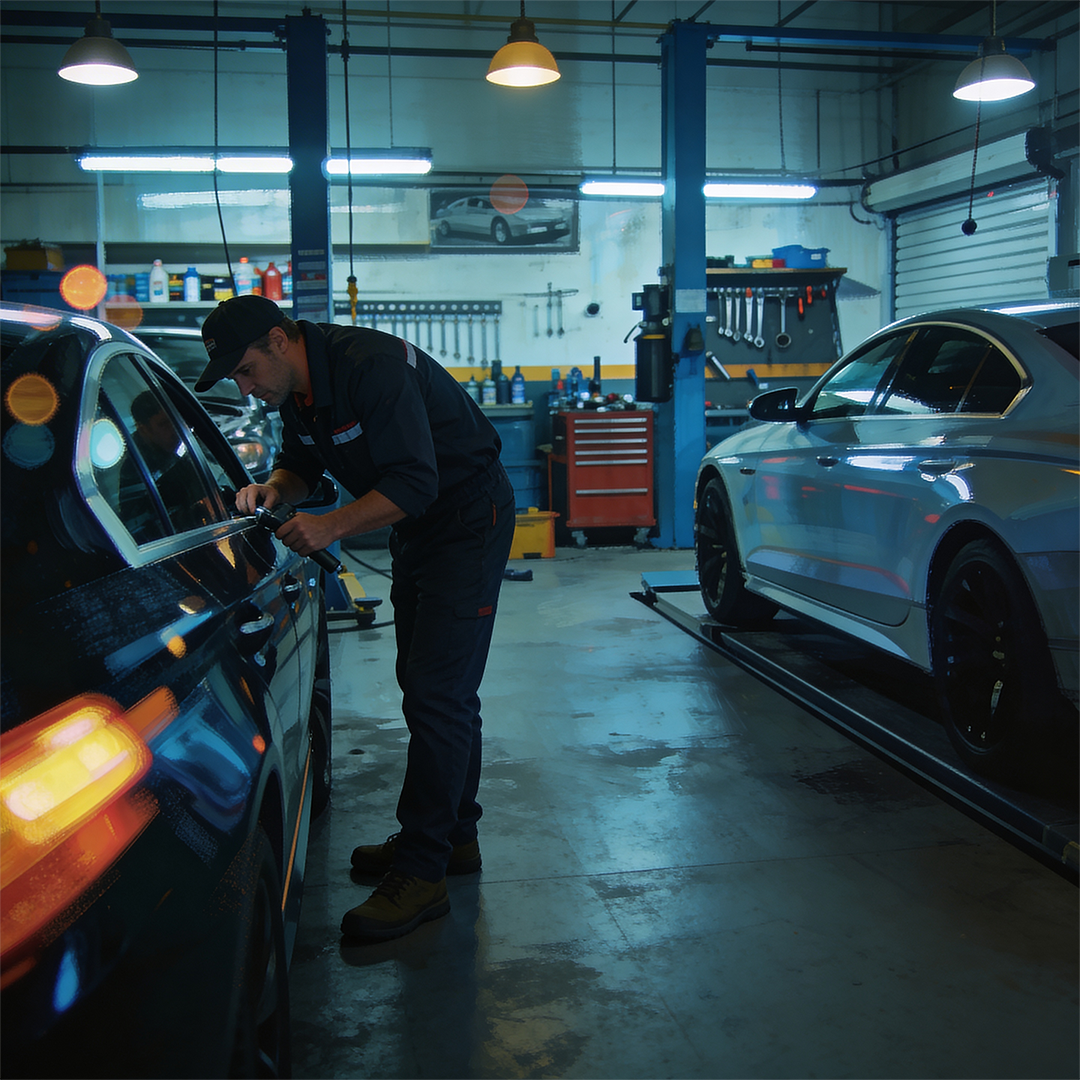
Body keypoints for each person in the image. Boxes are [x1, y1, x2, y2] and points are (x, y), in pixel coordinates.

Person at [195, 294, 515, 943]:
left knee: (437, 693)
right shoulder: (301, 395)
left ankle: (424, 875)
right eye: (236, 378)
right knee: (428, 687)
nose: (246, 386)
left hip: (464, 519)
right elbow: (304, 464)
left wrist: (332, 525)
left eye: (248, 369)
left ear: (280, 341)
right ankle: (454, 838)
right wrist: (276, 490)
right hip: (419, 532)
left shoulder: (371, 367)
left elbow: (416, 481)